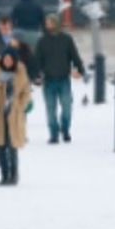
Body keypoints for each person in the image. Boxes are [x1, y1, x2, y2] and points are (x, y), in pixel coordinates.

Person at [33, 13, 86, 144]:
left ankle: (65, 129)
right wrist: (35, 76)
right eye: (46, 22)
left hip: (63, 80)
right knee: (51, 110)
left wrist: (80, 69)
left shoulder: (66, 39)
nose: (47, 24)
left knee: (67, 107)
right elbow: (37, 61)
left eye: (50, 22)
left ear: (56, 23)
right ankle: (54, 134)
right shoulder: (42, 41)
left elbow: (74, 55)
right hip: (48, 80)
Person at [0, 48, 31, 186]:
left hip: (14, 115)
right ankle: (4, 174)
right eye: (5, 59)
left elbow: (26, 92)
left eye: (10, 59)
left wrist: (19, 106)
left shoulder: (21, 71)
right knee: (1, 145)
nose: (8, 62)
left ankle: (14, 174)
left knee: (12, 145)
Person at [0, 15, 36, 80]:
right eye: (2, 24)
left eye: (6, 24)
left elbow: (28, 56)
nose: (4, 27)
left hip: (16, 73)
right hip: (0, 73)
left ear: (11, 25)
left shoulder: (19, 38)